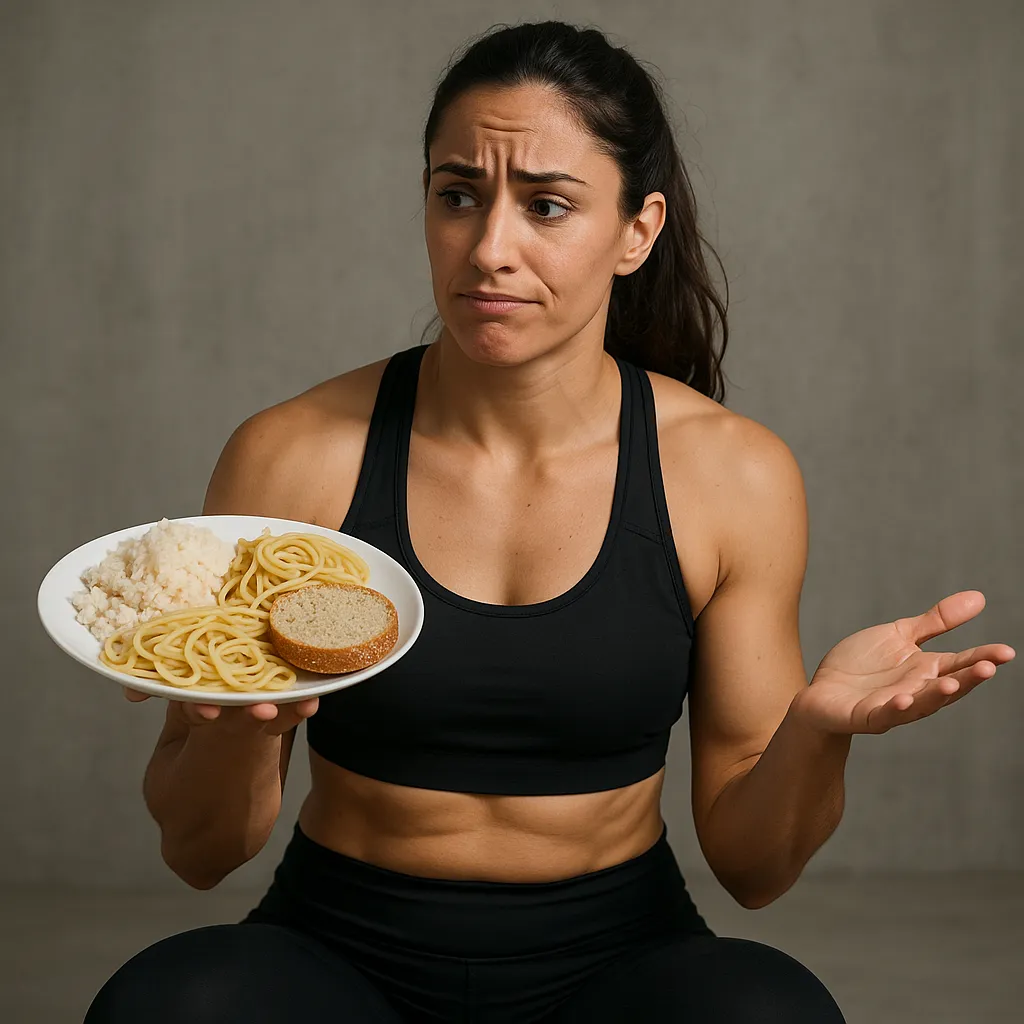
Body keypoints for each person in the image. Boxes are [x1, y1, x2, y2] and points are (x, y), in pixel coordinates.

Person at [83, 20, 1014, 1024]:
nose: (489, 249)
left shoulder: (731, 474)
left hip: (617, 961)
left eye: (547, 205)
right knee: (167, 1004)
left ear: (636, 230)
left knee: (771, 1012)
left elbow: (753, 868)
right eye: (457, 197)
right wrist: (238, 720)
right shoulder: (293, 454)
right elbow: (199, 851)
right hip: (337, 951)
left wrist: (816, 733)